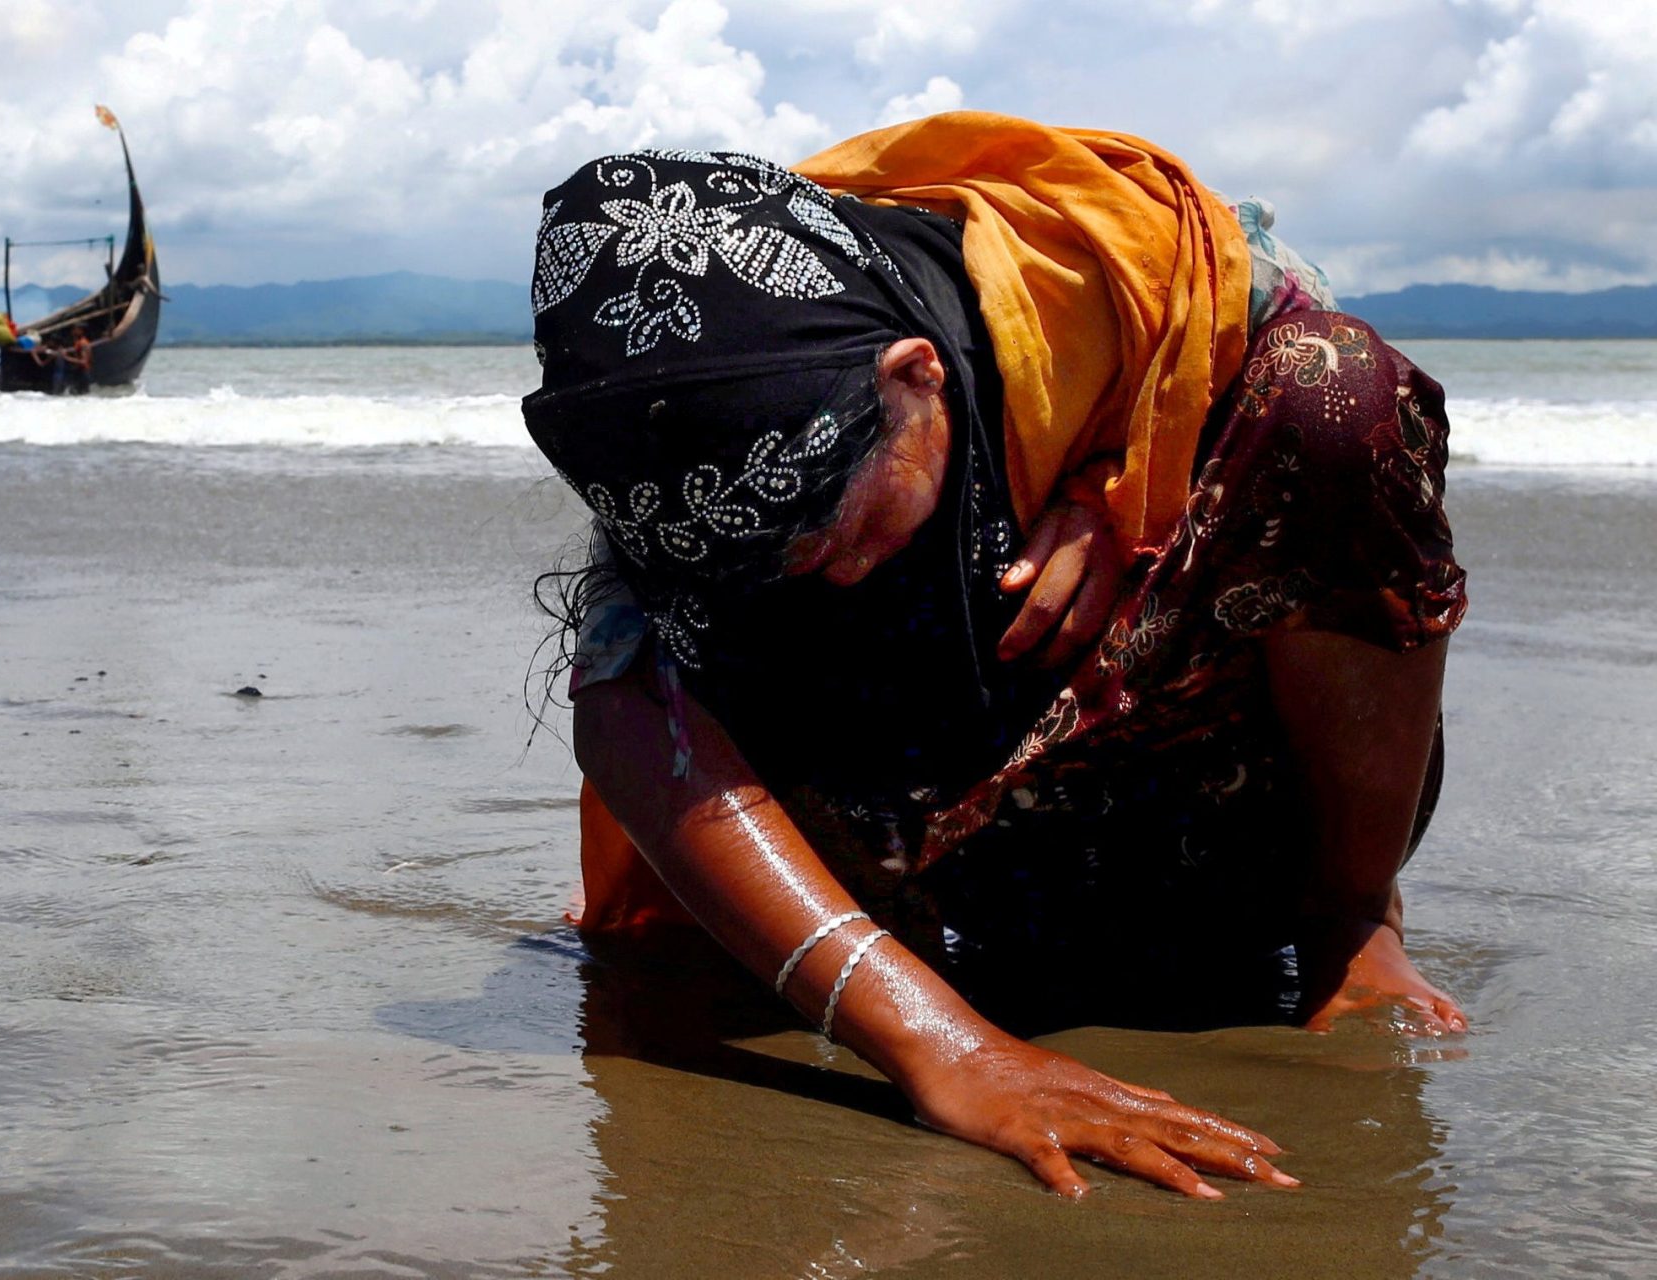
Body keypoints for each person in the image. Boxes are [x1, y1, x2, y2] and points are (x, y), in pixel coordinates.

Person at [526, 120, 1465, 1201]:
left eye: (826, 532)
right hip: (918, 849)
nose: (817, 579)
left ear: (913, 376)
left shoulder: (1143, 272)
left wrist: (1121, 484)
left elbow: (1324, 453)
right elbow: (628, 705)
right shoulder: (681, 409)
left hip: (1192, 799)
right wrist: (947, 1047)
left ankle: (1349, 923)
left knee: (1332, 385)